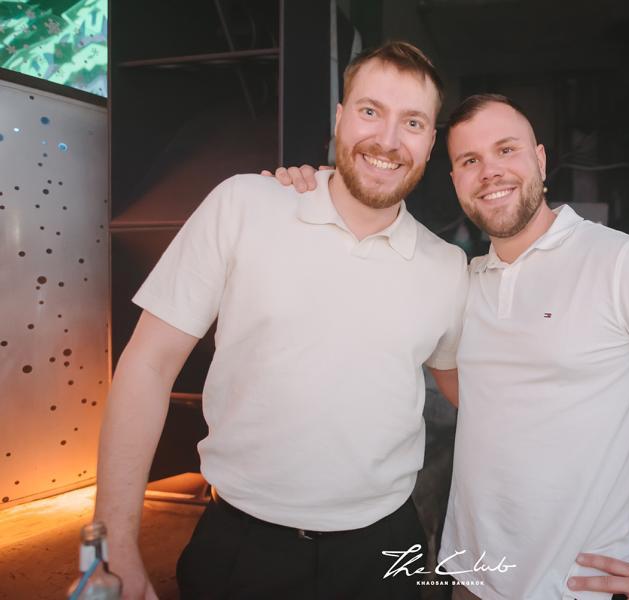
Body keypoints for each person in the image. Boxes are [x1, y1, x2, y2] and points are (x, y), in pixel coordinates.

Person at [277, 94, 629, 600]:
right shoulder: (461, 282)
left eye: (506, 150)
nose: (490, 171)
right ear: (455, 180)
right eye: (469, 160)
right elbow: (478, 398)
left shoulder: (626, 264)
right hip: (473, 581)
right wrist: (312, 191)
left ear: (540, 160)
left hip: (584, 590)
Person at [93, 41, 468, 600]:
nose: (388, 140)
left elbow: (472, 392)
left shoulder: (448, 266)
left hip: (385, 549)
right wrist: (114, 542)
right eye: (370, 111)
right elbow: (147, 365)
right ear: (339, 119)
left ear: (431, 142)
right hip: (242, 546)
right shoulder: (244, 204)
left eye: (412, 122)